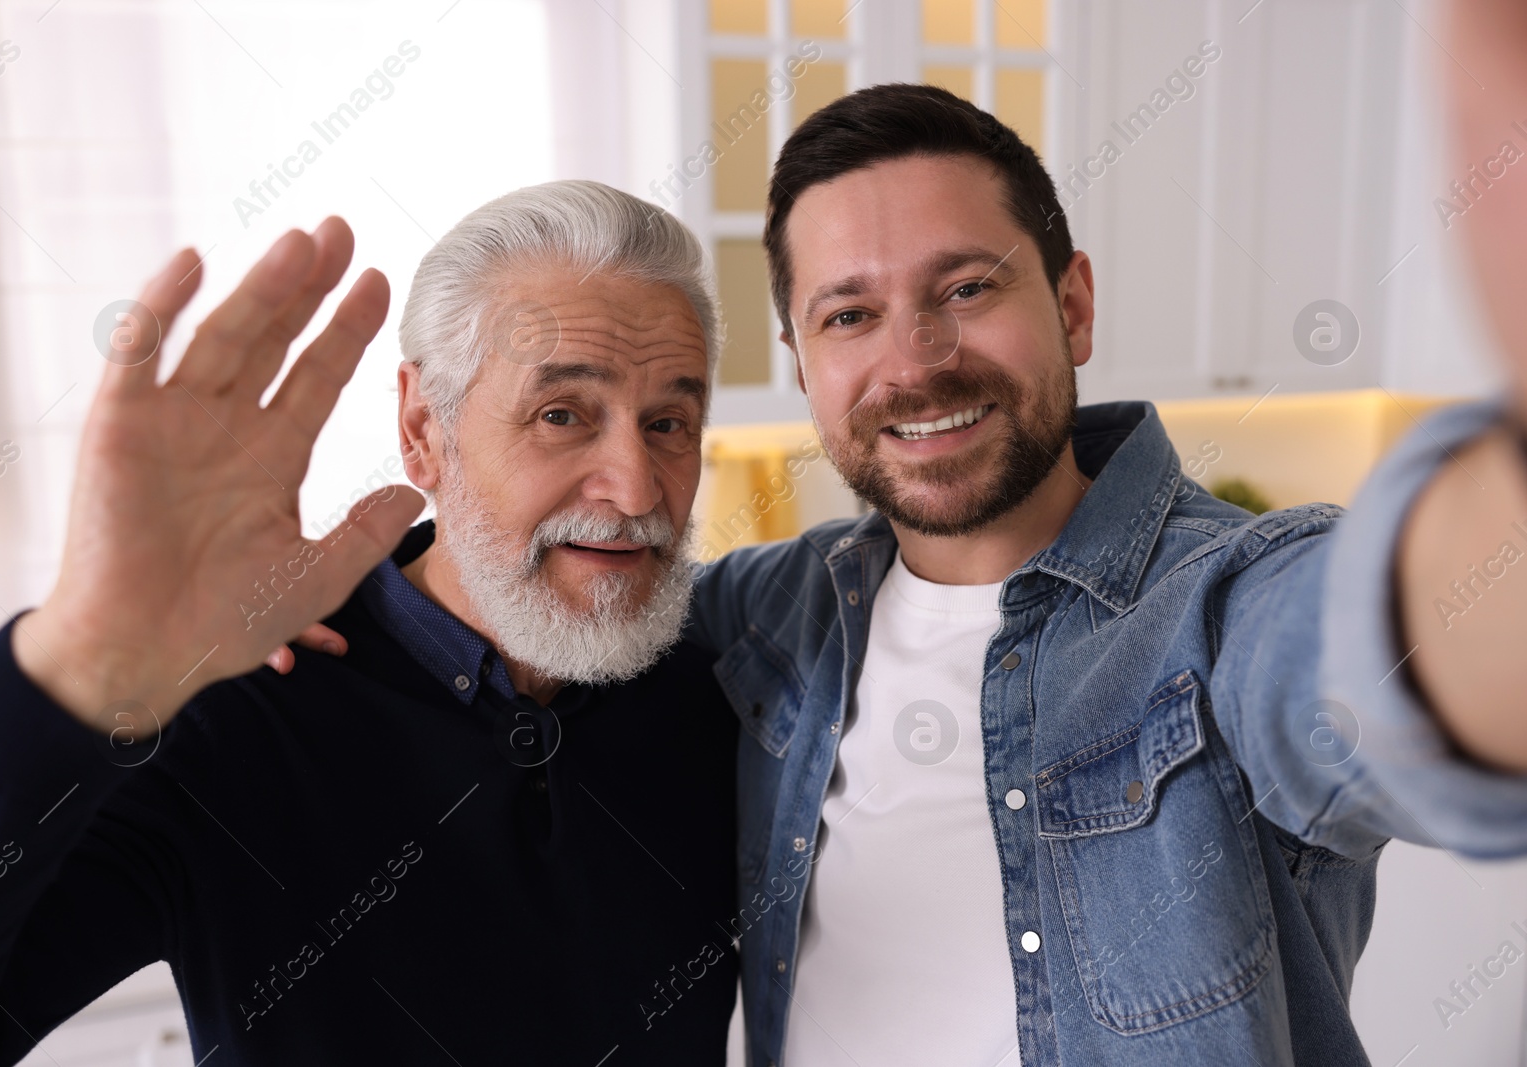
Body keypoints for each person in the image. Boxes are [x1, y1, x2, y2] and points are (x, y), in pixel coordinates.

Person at [291, 9, 1527, 1060]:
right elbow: (539, 599)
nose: (914, 361)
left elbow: (1402, 644)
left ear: (1074, 302)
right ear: (802, 361)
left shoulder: (1225, 603)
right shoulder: (760, 619)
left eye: (968, 287)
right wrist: (319, 607)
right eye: (849, 313)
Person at [0, 183, 742, 1064]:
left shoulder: (727, 699)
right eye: (560, 415)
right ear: (424, 428)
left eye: (668, 422)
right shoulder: (233, 716)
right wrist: (80, 656)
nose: (635, 487)